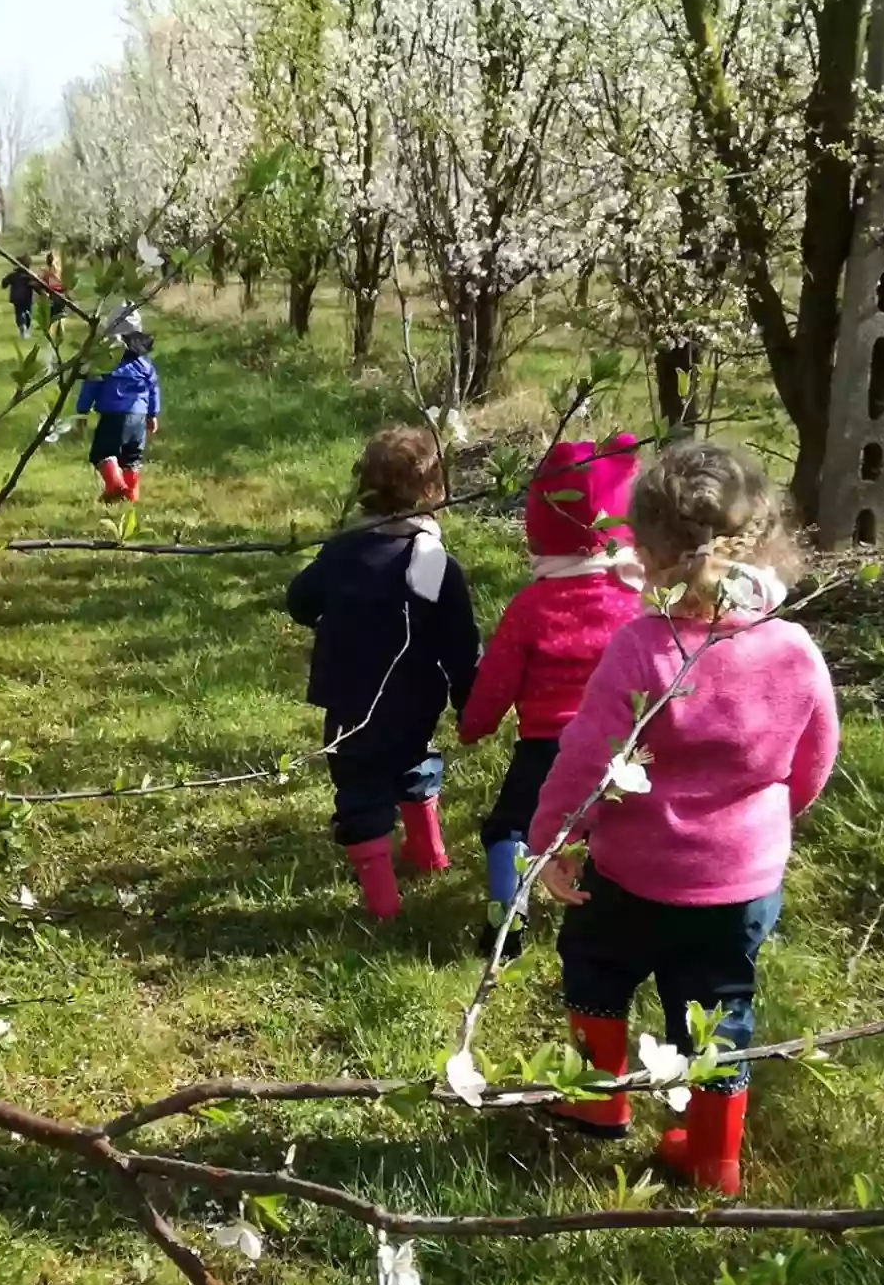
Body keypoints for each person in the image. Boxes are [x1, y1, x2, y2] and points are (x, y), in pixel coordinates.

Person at [520, 442, 836, 1189]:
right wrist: (770, 822)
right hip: (740, 886)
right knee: (719, 1011)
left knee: (597, 967)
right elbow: (814, 758)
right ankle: (713, 1155)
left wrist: (554, 840)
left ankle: (597, 1103)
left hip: (632, 874)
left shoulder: (641, 649)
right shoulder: (794, 650)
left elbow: (588, 758)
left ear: (647, 552)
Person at [456, 433, 645, 961]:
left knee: (509, 827)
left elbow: (497, 679)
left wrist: (475, 724)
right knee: (623, 826)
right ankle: (627, 914)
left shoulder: (533, 606)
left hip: (548, 747)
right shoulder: (638, 601)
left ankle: (506, 923)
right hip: (624, 747)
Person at [286, 426, 482, 920]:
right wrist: (469, 699)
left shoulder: (344, 550)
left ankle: (383, 905)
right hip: (417, 700)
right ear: (435, 492)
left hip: (351, 701)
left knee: (360, 788)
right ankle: (429, 852)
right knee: (414, 760)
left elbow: (300, 600)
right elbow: (460, 641)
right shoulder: (435, 560)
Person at [75, 329, 160, 503]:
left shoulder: (106, 364)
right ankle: (130, 496)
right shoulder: (145, 365)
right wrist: (152, 415)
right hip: (139, 418)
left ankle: (116, 486)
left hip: (113, 416)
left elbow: (91, 387)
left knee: (102, 453)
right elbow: (153, 390)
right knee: (131, 459)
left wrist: (82, 411)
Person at [1, 256, 39, 339]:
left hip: (17, 298)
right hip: (27, 298)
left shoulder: (13, 275)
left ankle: (22, 327)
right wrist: (40, 291)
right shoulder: (30, 276)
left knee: (19, 313)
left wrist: (4, 282)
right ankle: (26, 328)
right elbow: (36, 286)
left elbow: (4, 283)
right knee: (28, 313)